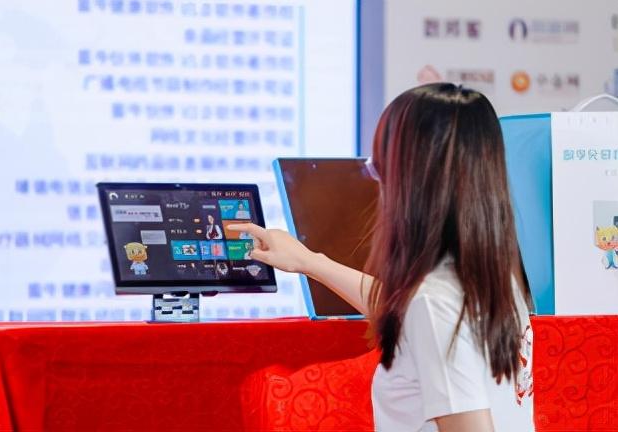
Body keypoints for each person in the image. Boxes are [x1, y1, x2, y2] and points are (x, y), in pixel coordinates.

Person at [229, 83, 534, 432]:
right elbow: (400, 310)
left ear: (409, 182)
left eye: (378, 169)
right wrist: (309, 262)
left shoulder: (434, 303)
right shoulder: (495, 280)